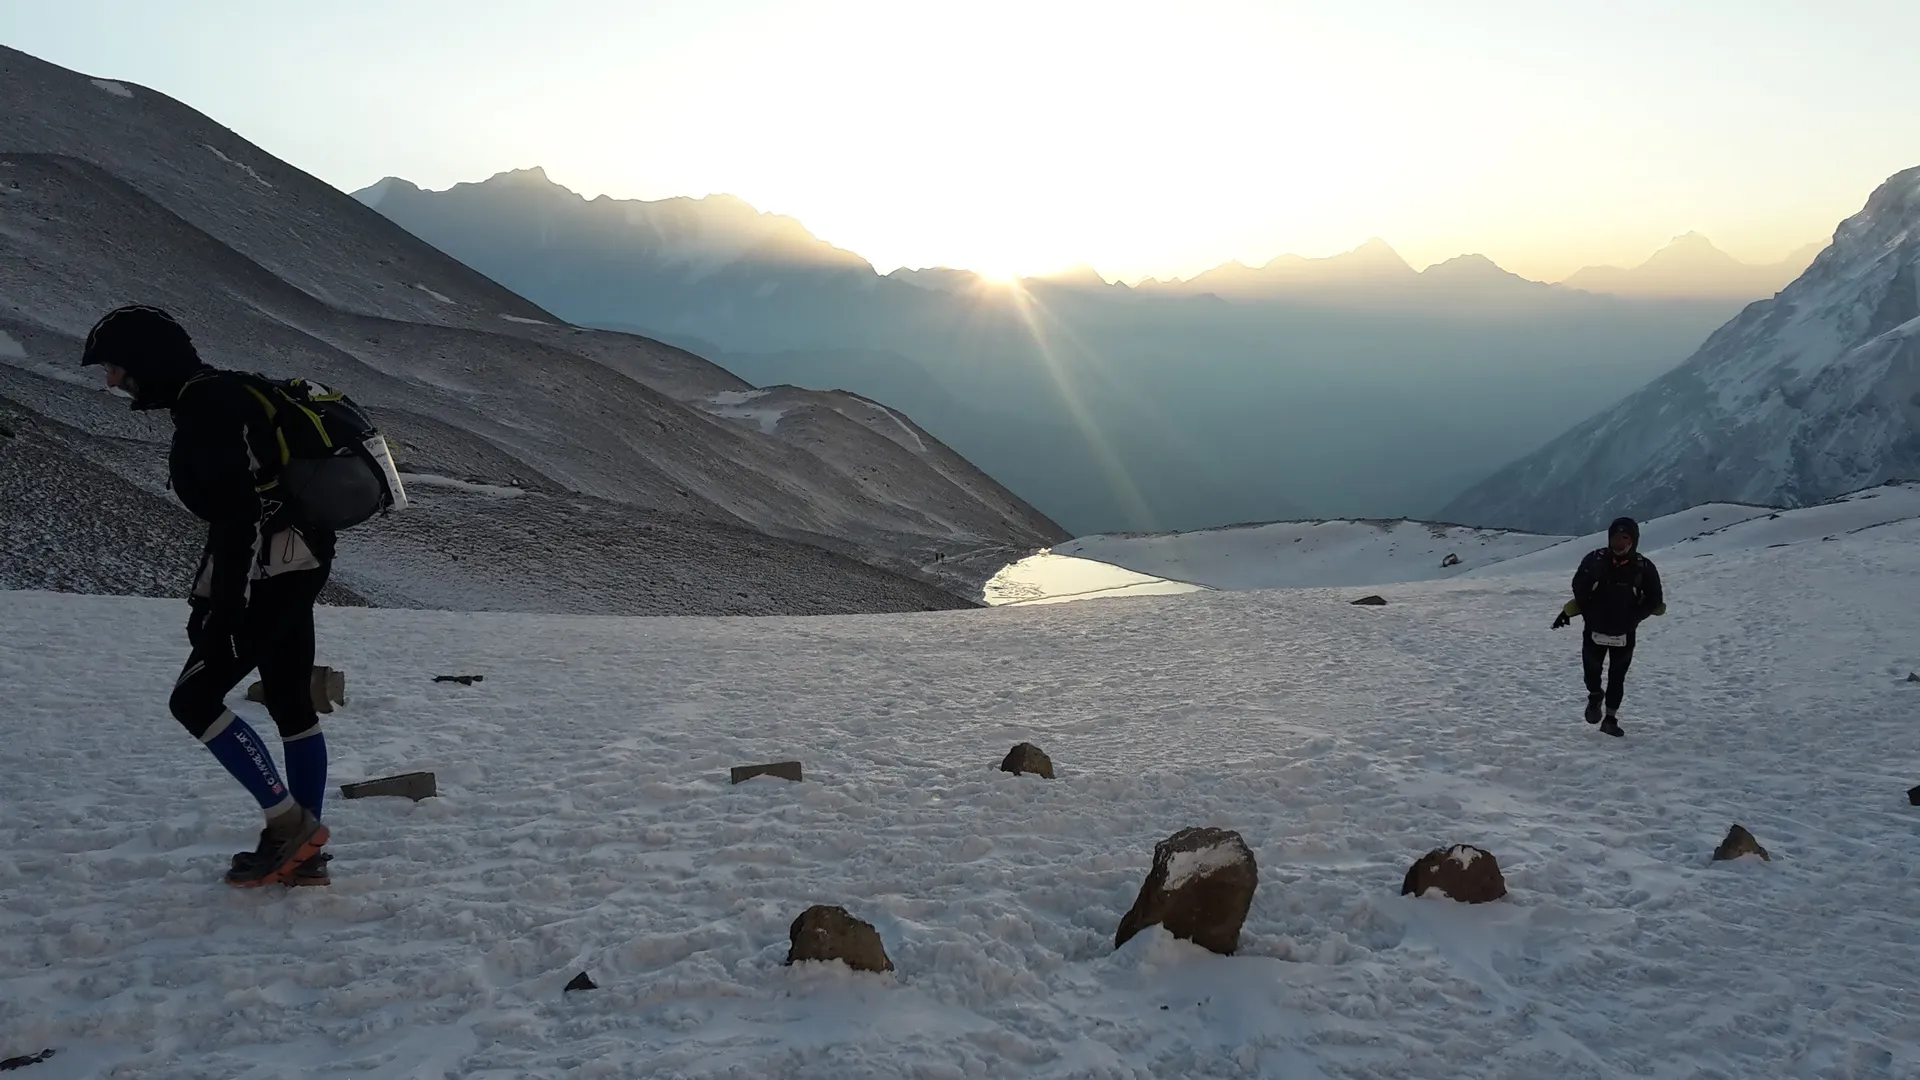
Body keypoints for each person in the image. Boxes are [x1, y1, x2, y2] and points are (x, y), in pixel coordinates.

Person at [81, 305, 333, 886]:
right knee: (291, 702)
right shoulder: (222, 391)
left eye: (116, 367)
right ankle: (303, 852)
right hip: (302, 558)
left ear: (146, 362)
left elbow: (238, 519)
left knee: (193, 700)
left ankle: (290, 825)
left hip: (272, 569)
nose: (112, 381)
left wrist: (222, 610)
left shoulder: (205, 408)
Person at [1552, 516, 1664, 737]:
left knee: (1617, 676)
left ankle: (1610, 719)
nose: (1619, 544)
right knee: (1591, 671)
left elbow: (1655, 599)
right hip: (1595, 629)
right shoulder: (1595, 561)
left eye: (1625, 538)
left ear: (1634, 540)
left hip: (1625, 632)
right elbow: (1579, 587)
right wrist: (1590, 611)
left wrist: (1633, 618)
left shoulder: (1643, 567)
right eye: (1615, 538)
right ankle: (1595, 696)